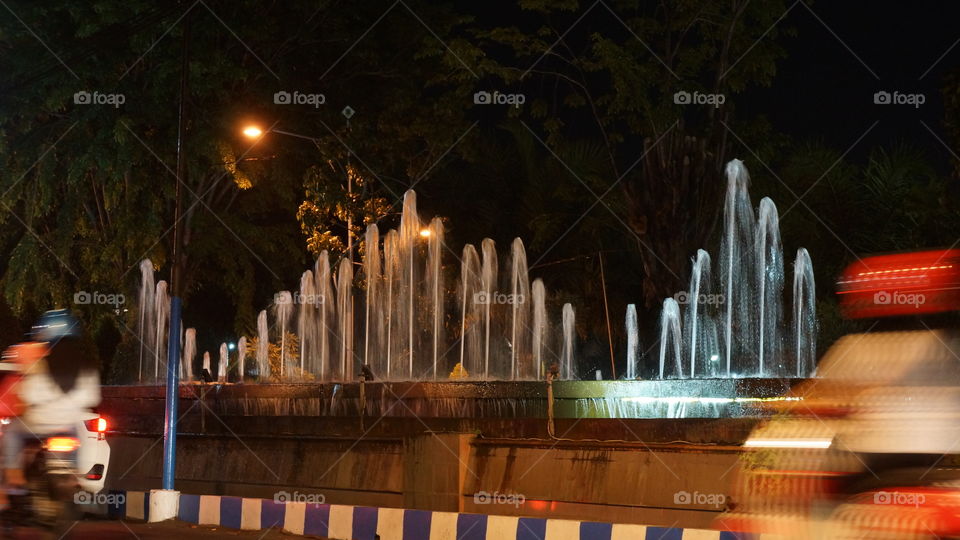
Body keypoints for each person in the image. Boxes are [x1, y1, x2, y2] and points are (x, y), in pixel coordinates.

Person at [0, 310, 100, 504]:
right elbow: (92, 398)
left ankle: (14, 476)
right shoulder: (87, 366)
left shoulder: (40, 364)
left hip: (37, 424)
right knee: (78, 437)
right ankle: (75, 475)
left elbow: (27, 395)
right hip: (67, 424)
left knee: (12, 433)